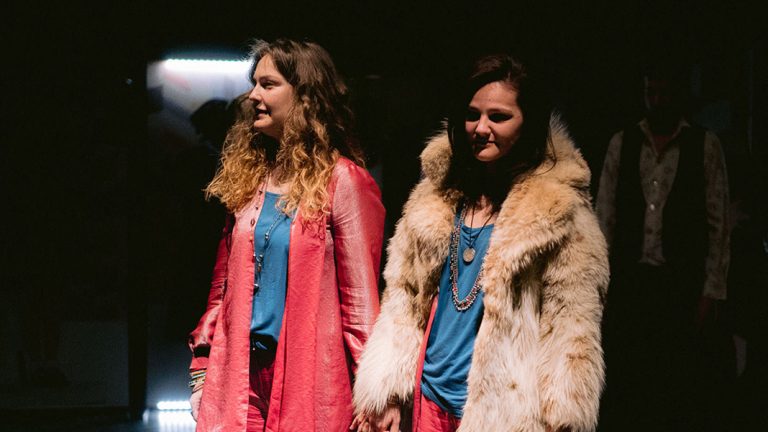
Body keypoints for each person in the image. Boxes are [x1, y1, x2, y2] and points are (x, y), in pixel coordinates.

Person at [351, 54, 608, 432]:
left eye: (499, 117)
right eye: (473, 115)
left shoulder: (559, 211)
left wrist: (563, 419)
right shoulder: (437, 194)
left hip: (503, 412)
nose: (481, 128)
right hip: (426, 398)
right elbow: (404, 294)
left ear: (529, 123)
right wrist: (387, 389)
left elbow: (571, 325)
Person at [187, 38, 385, 432]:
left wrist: (374, 395)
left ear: (306, 96)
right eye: (254, 83)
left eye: (268, 84)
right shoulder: (250, 180)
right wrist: (202, 366)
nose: (253, 95)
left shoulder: (344, 181)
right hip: (240, 373)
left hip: (308, 380)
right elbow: (222, 287)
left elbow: (360, 303)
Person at [595, 62, 731, 431]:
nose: (657, 101)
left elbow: (718, 225)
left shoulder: (704, 145)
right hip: (631, 285)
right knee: (630, 386)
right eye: (650, 93)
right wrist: (599, 289)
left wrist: (711, 292)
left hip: (681, 286)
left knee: (678, 388)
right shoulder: (622, 143)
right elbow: (603, 221)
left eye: (664, 93)